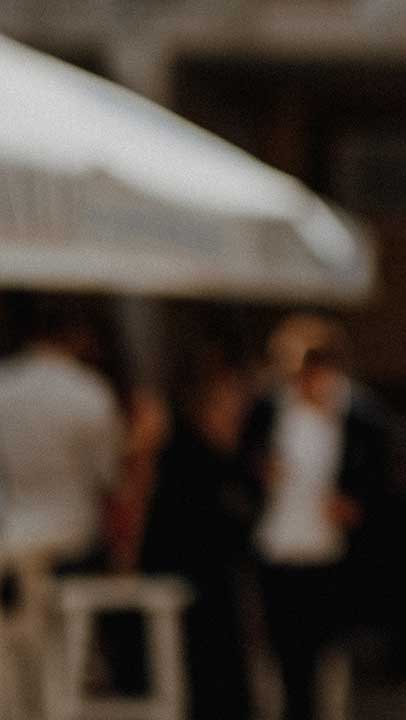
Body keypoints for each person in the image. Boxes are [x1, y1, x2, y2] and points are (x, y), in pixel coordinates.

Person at [243, 319, 385, 720]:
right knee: (284, 656)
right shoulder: (270, 408)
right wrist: (260, 474)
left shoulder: (359, 414)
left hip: (334, 551)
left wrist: (356, 505)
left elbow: (380, 481)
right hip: (279, 544)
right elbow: (243, 466)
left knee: (333, 656)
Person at [141, 355, 256, 720]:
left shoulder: (222, 455)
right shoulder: (188, 455)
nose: (237, 411)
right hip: (190, 586)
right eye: (228, 403)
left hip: (212, 583)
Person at [0, 303, 123, 568]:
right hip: (77, 538)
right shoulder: (90, 391)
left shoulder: (5, 385)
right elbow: (109, 477)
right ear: (78, 335)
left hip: (13, 533)